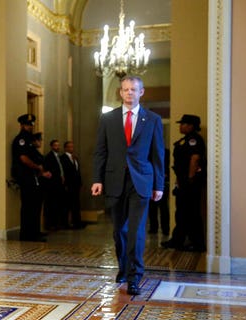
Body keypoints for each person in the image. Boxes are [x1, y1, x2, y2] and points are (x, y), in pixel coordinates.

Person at [91, 75, 164, 296]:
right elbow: (100, 151)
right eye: (125, 90)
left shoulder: (152, 119)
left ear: (141, 92)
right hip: (115, 182)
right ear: (120, 93)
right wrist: (97, 179)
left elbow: (157, 154)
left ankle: (134, 277)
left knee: (136, 232)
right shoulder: (108, 119)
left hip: (141, 182)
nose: (129, 93)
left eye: (133, 89)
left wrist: (158, 184)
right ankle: (123, 267)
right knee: (118, 232)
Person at [162, 115, 206, 252]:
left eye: (184, 124)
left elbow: (195, 158)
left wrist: (190, 179)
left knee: (192, 212)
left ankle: (197, 243)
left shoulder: (194, 140)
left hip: (190, 182)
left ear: (191, 126)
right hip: (183, 180)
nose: (181, 126)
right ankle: (177, 240)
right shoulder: (185, 140)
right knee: (181, 212)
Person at [11, 115, 48, 242]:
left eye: (31, 124)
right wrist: (37, 167)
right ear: (22, 125)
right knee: (28, 206)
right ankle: (27, 234)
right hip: (25, 177)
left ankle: (34, 231)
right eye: (28, 124)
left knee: (35, 205)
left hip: (32, 177)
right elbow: (23, 158)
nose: (30, 127)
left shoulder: (29, 140)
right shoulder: (21, 140)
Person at [60, 141, 85, 229]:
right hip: (69, 185)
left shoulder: (75, 158)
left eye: (72, 147)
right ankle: (65, 223)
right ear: (65, 148)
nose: (71, 148)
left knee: (76, 204)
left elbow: (77, 171)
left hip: (76, 185)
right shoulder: (63, 158)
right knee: (67, 205)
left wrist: (80, 182)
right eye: (69, 147)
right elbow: (65, 172)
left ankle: (77, 222)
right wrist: (65, 184)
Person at [43, 139, 67, 230]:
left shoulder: (59, 157)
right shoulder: (49, 157)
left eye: (58, 145)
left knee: (58, 204)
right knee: (51, 204)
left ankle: (57, 223)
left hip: (59, 184)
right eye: (56, 145)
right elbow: (50, 170)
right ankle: (51, 224)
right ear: (52, 146)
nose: (58, 147)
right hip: (52, 184)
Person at [148, 148, 170, 235]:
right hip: (152, 180)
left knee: (163, 206)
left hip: (162, 180)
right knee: (152, 207)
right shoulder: (150, 151)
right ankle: (154, 227)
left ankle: (165, 228)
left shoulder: (165, 152)